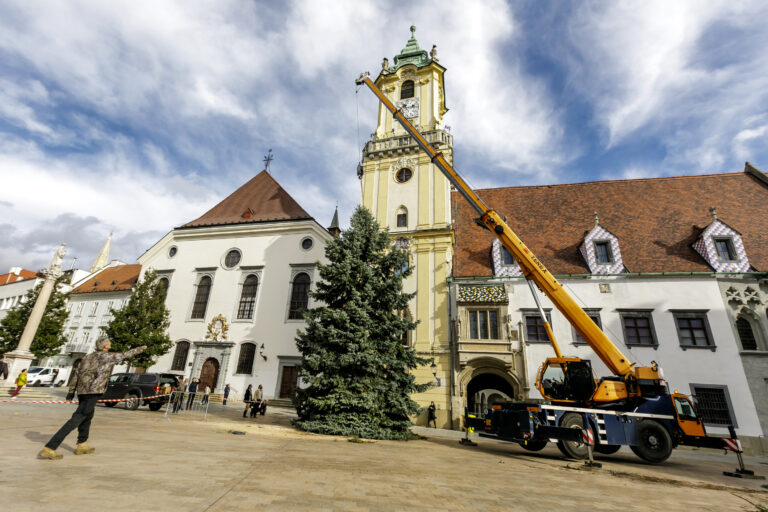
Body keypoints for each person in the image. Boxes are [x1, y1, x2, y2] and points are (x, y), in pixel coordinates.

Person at [38, 336, 146, 460]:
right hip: (93, 391)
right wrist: (143, 347)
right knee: (77, 418)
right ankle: (50, 447)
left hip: (82, 391)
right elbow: (126, 354)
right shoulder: (105, 357)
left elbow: (76, 374)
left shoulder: (86, 357)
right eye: (109, 342)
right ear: (105, 346)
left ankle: (82, 444)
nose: (110, 343)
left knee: (87, 417)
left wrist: (71, 391)